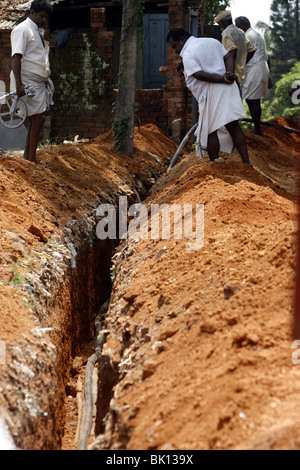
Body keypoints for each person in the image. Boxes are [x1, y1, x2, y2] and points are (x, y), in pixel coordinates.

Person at [167, 28, 250, 164]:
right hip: (228, 87)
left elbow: (198, 74)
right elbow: (229, 56)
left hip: (212, 90)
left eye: (175, 46)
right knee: (233, 126)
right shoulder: (211, 42)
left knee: (210, 129)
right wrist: (228, 73)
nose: (175, 50)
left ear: (182, 39)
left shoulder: (188, 53)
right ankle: (246, 162)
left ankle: (214, 162)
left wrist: (222, 79)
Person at [10, 0, 54, 164]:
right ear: (32, 12)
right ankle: (32, 159)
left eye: (46, 17)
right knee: (38, 118)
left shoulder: (37, 32)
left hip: (38, 82)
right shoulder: (22, 30)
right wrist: (19, 84)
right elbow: (16, 57)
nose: (44, 19)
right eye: (41, 16)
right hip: (27, 80)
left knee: (35, 119)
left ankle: (28, 158)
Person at [235, 16, 272, 135]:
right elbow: (267, 56)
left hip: (255, 69)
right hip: (259, 68)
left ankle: (258, 130)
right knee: (251, 100)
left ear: (242, 26)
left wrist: (239, 67)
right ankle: (257, 128)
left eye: (237, 26)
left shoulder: (248, 35)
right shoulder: (257, 34)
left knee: (254, 100)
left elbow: (249, 54)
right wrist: (268, 75)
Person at [214, 11, 256, 91]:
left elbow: (231, 52)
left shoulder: (226, 33)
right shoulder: (240, 31)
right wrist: (242, 63)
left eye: (219, 23)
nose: (219, 26)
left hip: (231, 74)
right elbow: (252, 49)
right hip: (239, 73)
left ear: (223, 23)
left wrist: (229, 73)